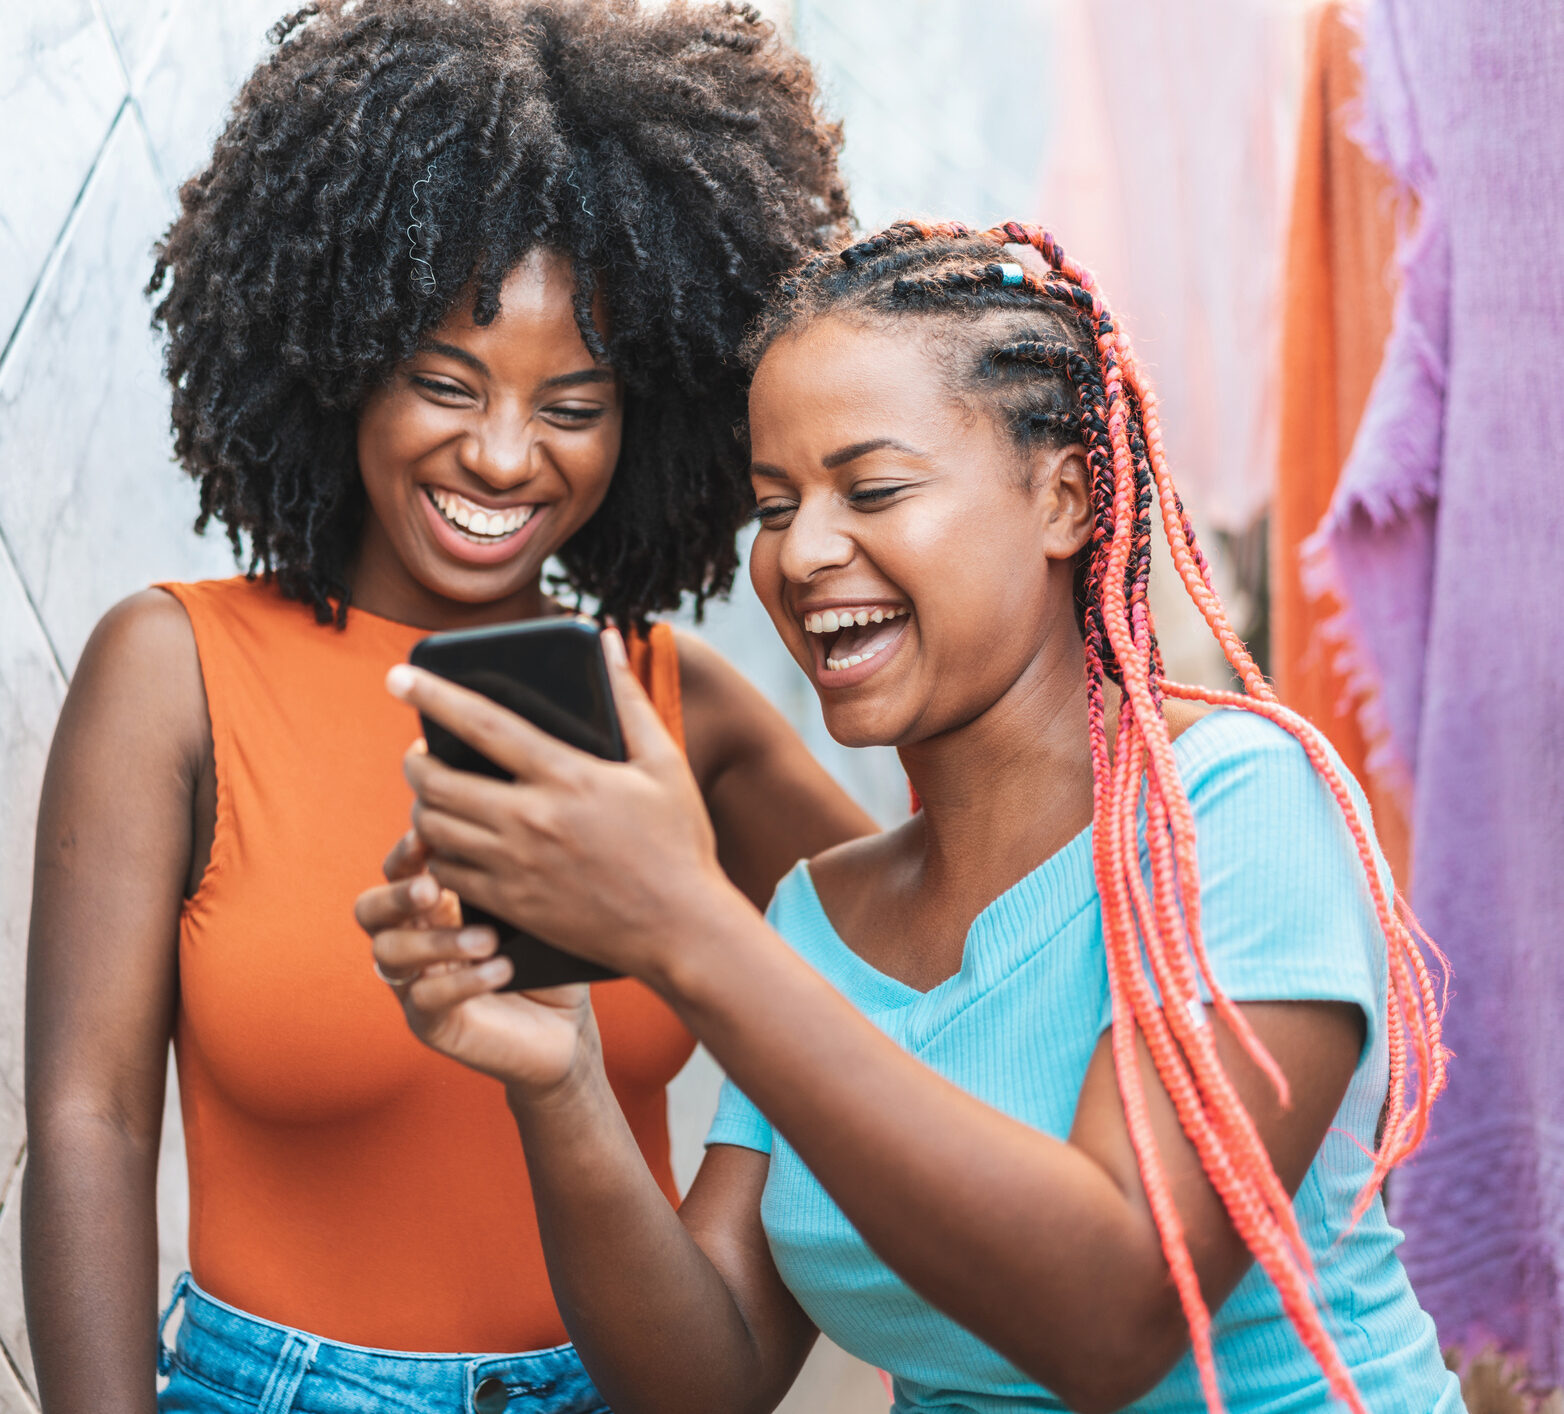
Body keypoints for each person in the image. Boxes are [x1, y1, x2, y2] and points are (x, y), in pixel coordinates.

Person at [361, 221, 1464, 1414]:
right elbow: (705, 1380)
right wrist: (561, 1073)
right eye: (774, 506)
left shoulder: (1233, 810)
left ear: (1066, 497)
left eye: (872, 488)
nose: (804, 552)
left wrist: (689, 929)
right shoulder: (815, 920)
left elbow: (1118, 1316)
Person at [20, 3, 873, 1411]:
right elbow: (88, 1118)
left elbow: (933, 975)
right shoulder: (173, 670)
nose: (500, 453)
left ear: (651, 415)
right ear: (341, 352)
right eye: (444, 381)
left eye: (573, 403)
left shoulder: (676, 707)